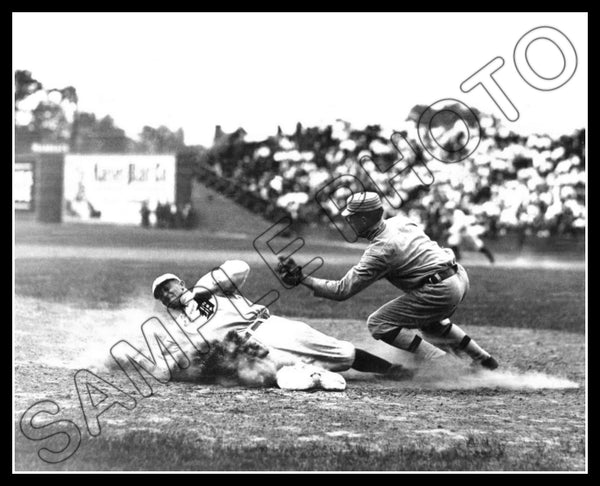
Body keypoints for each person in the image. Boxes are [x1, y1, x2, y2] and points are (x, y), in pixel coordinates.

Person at [279, 192, 498, 372]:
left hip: (439, 288)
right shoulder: (401, 221)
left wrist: (303, 279)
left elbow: (341, 291)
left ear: (364, 219)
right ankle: (483, 358)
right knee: (430, 324)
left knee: (378, 323)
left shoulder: (380, 251)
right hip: (458, 276)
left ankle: (438, 359)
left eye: (351, 217)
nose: (348, 221)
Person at [151, 260, 409, 391]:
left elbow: (240, 268)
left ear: (180, 283)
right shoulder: (179, 326)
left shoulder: (208, 287)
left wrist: (203, 289)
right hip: (252, 351)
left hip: (269, 326)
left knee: (342, 352)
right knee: (286, 376)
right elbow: (173, 365)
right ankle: (319, 377)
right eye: (160, 294)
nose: (165, 293)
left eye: (167, 286)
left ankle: (392, 370)